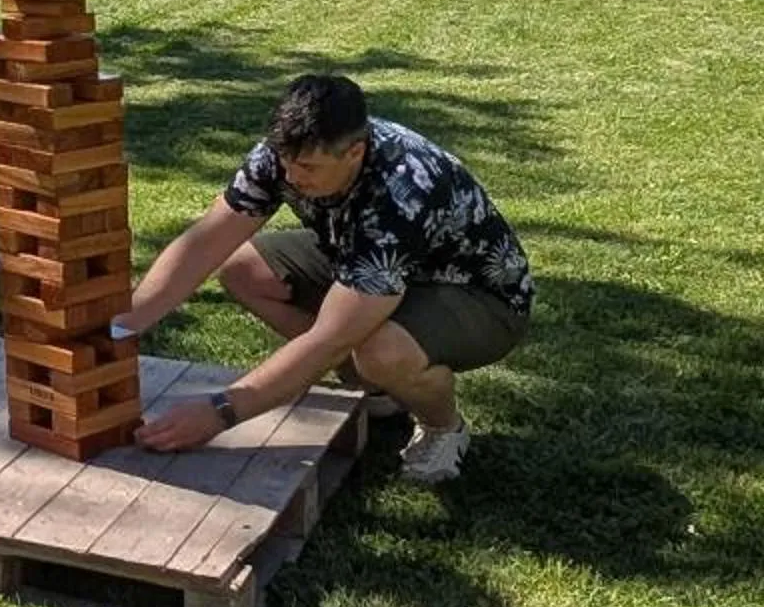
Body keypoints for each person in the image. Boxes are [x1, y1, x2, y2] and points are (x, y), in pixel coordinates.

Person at [126, 74, 532, 482]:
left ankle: (443, 427)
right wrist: (123, 326)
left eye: (307, 167)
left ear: (354, 152)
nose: (291, 176)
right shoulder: (285, 154)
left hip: (476, 294)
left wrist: (220, 413)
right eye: (285, 161)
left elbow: (330, 336)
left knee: (378, 350)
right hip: (363, 258)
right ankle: (375, 388)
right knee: (243, 270)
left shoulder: (401, 192)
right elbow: (204, 243)